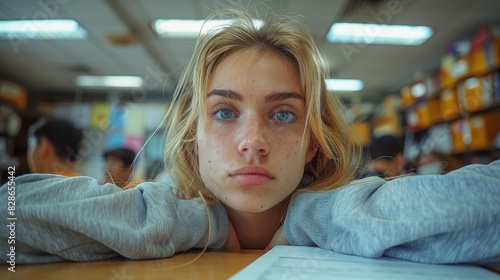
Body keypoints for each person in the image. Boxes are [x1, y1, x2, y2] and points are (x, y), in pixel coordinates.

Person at [0, 9, 499, 265]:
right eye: (224, 112)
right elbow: (11, 211)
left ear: (311, 143)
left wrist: (320, 215)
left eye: (282, 115)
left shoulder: (349, 206)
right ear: (193, 137)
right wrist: (184, 220)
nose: (252, 142)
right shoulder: (172, 214)